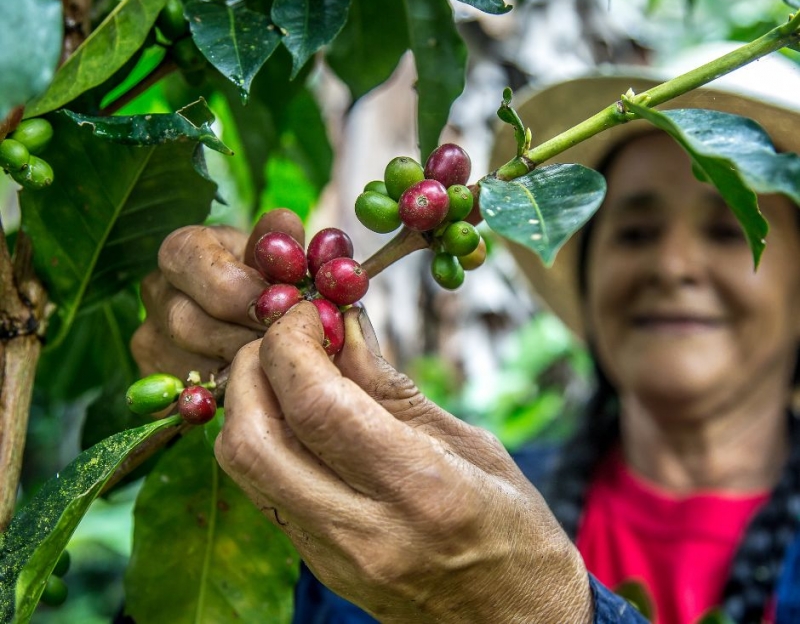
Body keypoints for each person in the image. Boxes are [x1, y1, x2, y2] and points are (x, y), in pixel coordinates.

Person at [131, 56, 800, 623]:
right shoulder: (414, 505)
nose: (673, 266)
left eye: (728, 231)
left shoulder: (445, 517)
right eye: (634, 233)